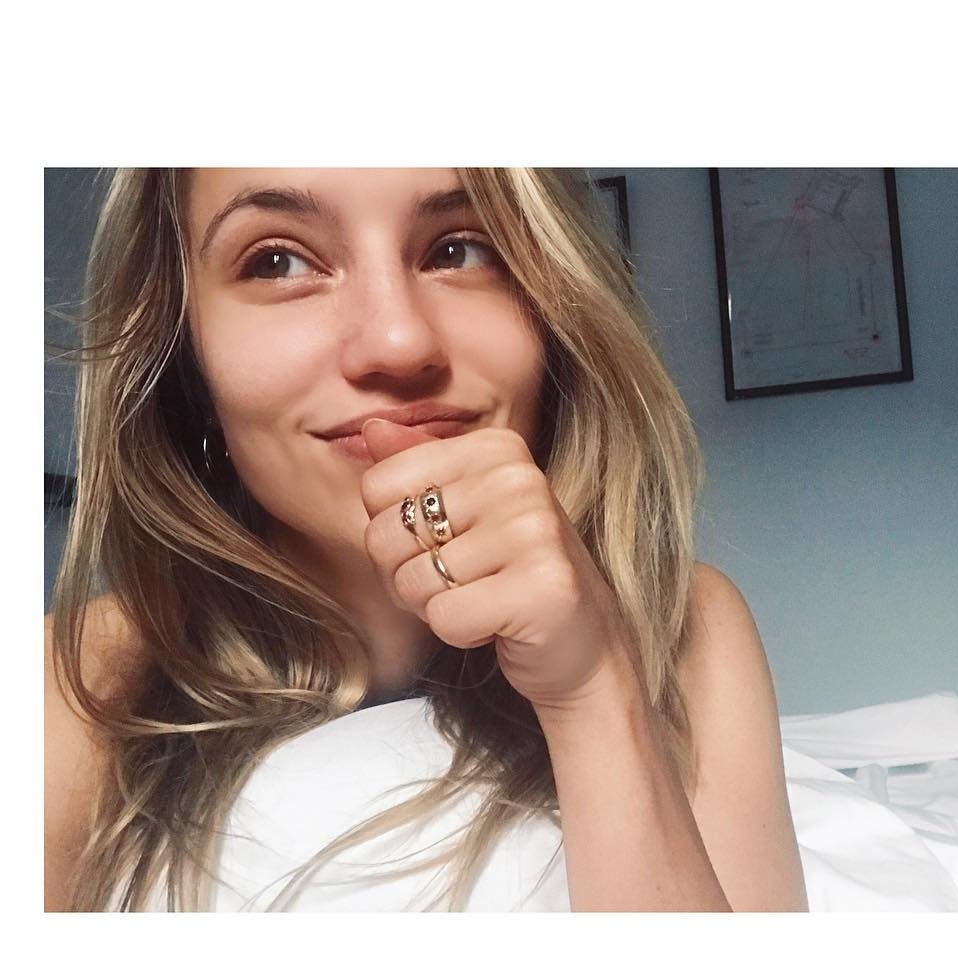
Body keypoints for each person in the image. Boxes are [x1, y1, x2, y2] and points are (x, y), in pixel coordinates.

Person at [45, 167, 808, 912]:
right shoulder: (67, 683)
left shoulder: (688, 625)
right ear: (187, 357)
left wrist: (593, 686)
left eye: (461, 249)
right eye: (278, 262)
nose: (399, 342)